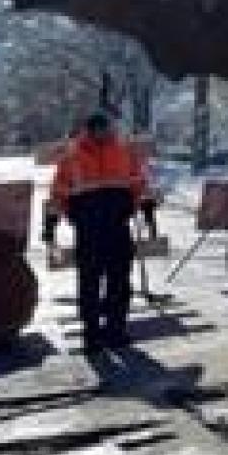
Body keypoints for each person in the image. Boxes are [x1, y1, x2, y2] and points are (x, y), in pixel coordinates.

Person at [46, 111, 150, 350]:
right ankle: (92, 334)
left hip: (117, 227)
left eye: (106, 128)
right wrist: (52, 225)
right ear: (89, 130)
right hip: (88, 229)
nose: (104, 132)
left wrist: (142, 209)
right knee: (89, 283)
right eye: (98, 129)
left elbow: (139, 183)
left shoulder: (125, 152)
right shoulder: (72, 156)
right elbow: (58, 192)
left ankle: (116, 330)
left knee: (120, 282)